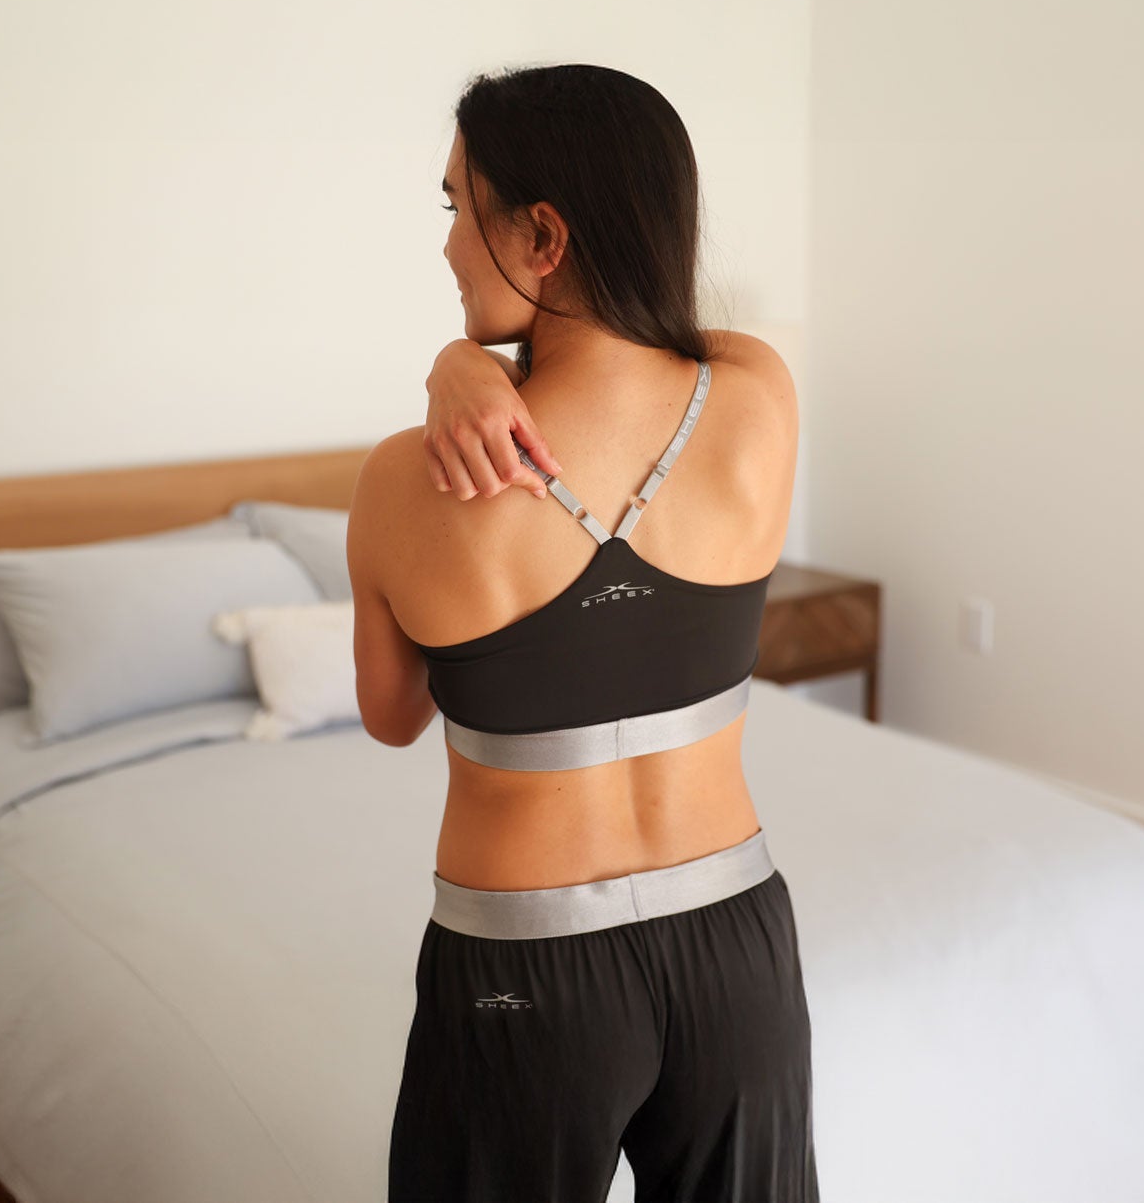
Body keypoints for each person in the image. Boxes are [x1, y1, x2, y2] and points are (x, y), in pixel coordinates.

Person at [345, 62, 817, 1203]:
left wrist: (454, 364)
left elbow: (391, 717)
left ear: (541, 234)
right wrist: (473, 358)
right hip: (738, 948)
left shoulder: (405, 486)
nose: (449, 243)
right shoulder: (755, 394)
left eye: (460, 206)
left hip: (519, 970)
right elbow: (665, 336)